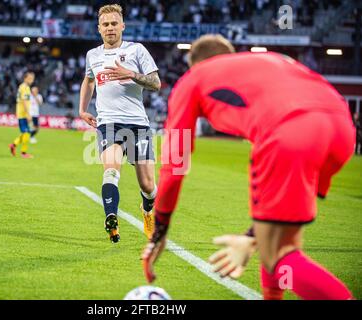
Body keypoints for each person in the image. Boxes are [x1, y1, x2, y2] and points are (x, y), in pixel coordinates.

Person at [142, 35, 355, 300]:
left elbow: (175, 163)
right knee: (283, 244)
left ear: (194, 64)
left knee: (277, 255)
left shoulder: (195, 78)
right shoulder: (271, 59)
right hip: (342, 128)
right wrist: (252, 235)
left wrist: (159, 229)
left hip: (289, 134)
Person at [79, 4, 161, 243]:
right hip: (109, 124)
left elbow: (156, 83)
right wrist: (82, 109)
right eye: (105, 25)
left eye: (114, 23)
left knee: (148, 186)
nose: (110, 28)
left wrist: (131, 74)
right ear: (99, 29)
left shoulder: (137, 50)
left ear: (122, 26)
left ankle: (147, 210)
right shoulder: (92, 55)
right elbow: (89, 80)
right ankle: (111, 218)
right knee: (111, 170)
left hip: (138, 124)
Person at [9, 72, 35, 159]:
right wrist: (28, 114)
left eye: (32, 78)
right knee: (27, 133)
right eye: (30, 78)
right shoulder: (24, 87)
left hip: (23, 113)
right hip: (22, 114)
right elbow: (24, 101)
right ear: (25, 78)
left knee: (26, 133)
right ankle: (23, 153)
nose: (31, 80)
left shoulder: (26, 87)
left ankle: (14, 144)